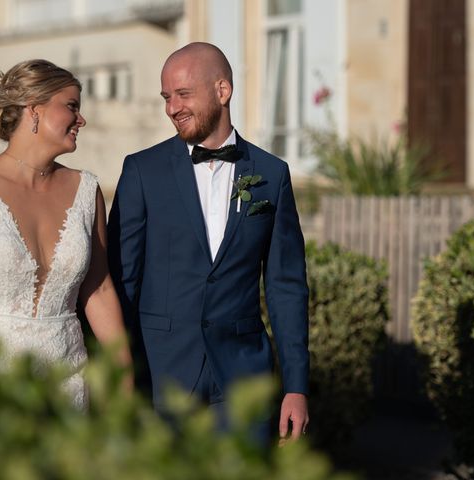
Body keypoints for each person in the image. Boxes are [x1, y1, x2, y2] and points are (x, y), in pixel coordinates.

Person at [107, 43, 309, 445]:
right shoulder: (142, 171)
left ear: (222, 91)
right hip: (159, 377)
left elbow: (286, 287)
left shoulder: (272, 174)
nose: (171, 108)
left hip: (242, 380)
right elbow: (121, 280)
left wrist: (296, 386)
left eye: (183, 94)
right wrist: (116, 377)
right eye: (166, 97)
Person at [0, 59, 131, 410]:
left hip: (65, 381)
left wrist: (122, 379)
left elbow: (99, 288)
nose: (81, 119)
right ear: (34, 109)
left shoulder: (87, 189)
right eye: (71, 106)